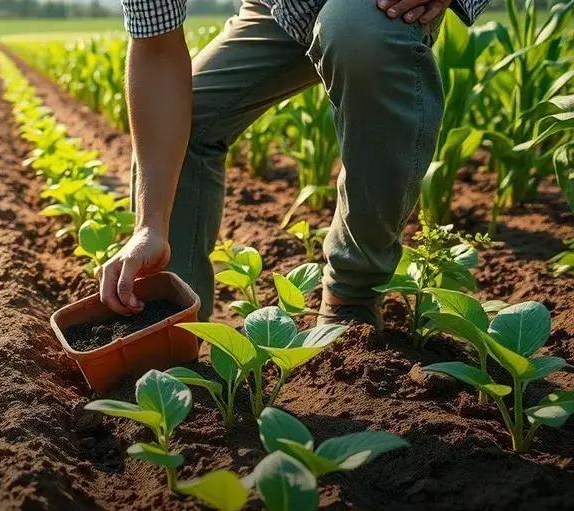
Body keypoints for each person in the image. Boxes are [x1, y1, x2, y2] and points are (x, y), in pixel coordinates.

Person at [97, 0, 490, 329]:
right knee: (188, 119)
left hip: (377, 8)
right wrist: (149, 225)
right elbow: (157, 49)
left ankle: (353, 297)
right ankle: (176, 323)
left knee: (360, 35)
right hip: (284, 6)